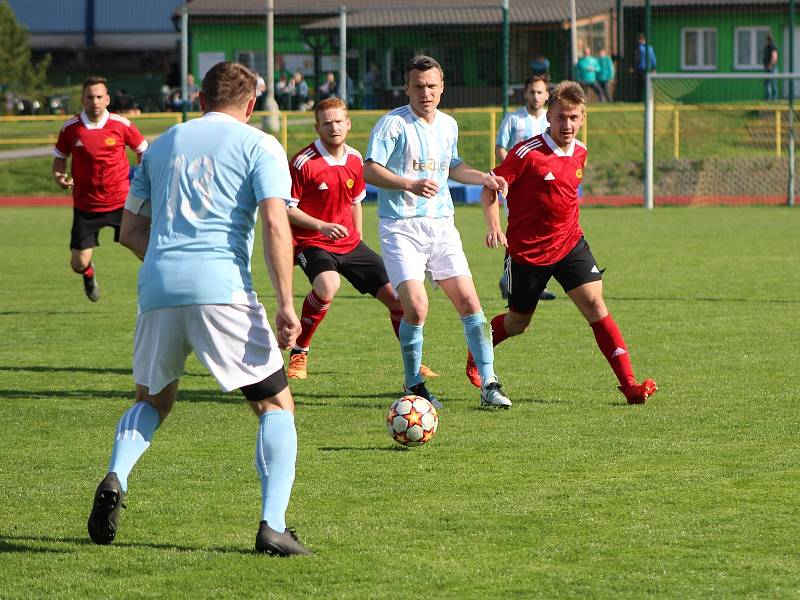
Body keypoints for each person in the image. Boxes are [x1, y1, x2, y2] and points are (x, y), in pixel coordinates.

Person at [86, 61, 311, 556]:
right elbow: (277, 225)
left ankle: (115, 475)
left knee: (151, 401)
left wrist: (173, 264)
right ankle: (273, 526)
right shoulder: (259, 145)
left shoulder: (162, 145)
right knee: (275, 404)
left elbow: (128, 231)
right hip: (223, 289)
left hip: (158, 288)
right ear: (251, 104)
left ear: (199, 99)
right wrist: (286, 304)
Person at [478, 81, 658, 405]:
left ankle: (630, 384)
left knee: (596, 306)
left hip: (570, 243)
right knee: (518, 323)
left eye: (574, 118)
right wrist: (494, 227)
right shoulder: (526, 154)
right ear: (549, 116)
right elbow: (490, 189)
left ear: (583, 117)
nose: (567, 125)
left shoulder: (582, 152)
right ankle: (477, 350)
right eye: (561, 117)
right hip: (528, 252)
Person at [364, 55, 512, 409]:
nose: (425, 93)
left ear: (442, 87)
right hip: (400, 227)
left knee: (470, 303)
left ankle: (489, 383)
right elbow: (369, 170)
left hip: (442, 226)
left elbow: (454, 166)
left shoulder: (448, 125)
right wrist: (408, 184)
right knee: (416, 307)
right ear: (407, 89)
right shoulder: (392, 125)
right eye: (418, 86)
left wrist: (485, 177)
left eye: (432, 86)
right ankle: (414, 383)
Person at [286, 96, 438, 383]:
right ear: (317, 127)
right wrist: (322, 226)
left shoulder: (356, 159)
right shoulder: (303, 162)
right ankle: (299, 351)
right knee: (328, 286)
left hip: (349, 244)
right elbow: (288, 208)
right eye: (327, 123)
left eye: (339, 121)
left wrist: (358, 235)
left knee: (398, 300)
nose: (334, 128)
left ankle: (414, 364)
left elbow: (356, 201)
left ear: (348, 124)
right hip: (313, 241)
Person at [52, 76, 148, 302]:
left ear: (107, 99)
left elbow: (143, 149)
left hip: (121, 202)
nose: (94, 101)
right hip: (86, 205)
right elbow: (59, 158)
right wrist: (59, 175)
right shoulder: (71, 128)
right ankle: (88, 273)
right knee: (78, 263)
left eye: (99, 97)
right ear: (82, 100)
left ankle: (162, 287)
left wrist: (142, 179)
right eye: (89, 97)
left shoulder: (121, 125)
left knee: (146, 250)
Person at [495, 73, 556, 302]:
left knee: (545, 231)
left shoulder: (550, 122)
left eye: (540, 92)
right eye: (532, 91)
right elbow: (501, 147)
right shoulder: (514, 119)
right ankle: (508, 278)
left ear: (547, 94)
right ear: (525, 93)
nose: (536, 96)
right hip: (518, 188)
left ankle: (538, 283)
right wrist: (509, 177)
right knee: (517, 232)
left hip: (544, 189)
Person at [634, 33, 656, 101]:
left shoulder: (639, 48)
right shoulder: (650, 48)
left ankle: (640, 100)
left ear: (640, 40)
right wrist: (654, 68)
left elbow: (637, 59)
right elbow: (653, 59)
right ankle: (650, 99)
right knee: (648, 84)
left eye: (638, 40)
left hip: (641, 69)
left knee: (640, 85)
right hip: (649, 68)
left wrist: (634, 67)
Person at [763, 35, 779, 101]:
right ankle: (768, 98)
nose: (765, 41)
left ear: (768, 40)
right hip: (768, 67)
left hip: (772, 67)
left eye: (765, 40)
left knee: (772, 83)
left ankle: (773, 98)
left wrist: (770, 65)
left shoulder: (772, 46)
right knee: (767, 83)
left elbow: (774, 57)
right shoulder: (768, 46)